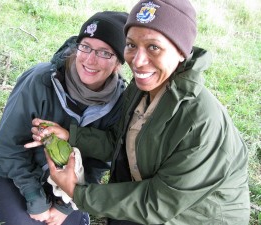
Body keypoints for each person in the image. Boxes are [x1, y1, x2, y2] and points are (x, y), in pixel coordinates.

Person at [28, 0, 251, 224]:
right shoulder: (141, 88)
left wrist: (77, 192)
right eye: (131, 45)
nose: (138, 61)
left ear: (181, 51)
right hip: (147, 201)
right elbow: (119, 142)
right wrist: (71, 135)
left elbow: (157, 204)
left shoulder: (199, 122)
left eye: (154, 47)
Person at [0, 11, 128, 225]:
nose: (90, 59)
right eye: (85, 46)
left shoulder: (120, 102)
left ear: (118, 62)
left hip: (69, 182)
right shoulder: (40, 80)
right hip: (14, 171)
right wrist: (35, 198)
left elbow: (99, 163)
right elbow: (7, 146)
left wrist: (65, 206)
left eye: (104, 52)